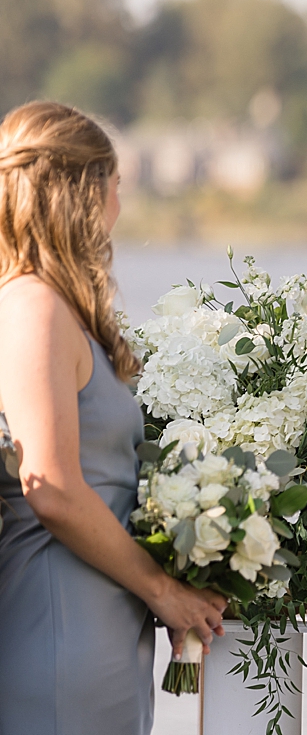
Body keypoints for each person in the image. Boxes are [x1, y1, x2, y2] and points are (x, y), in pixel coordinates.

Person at [0, 102, 227, 735]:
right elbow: (53, 489)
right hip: (59, 623)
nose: (120, 207)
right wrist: (163, 590)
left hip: (102, 625)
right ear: (80, 191)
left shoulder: (61, 312)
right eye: (116, 184)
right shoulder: (31, 308)